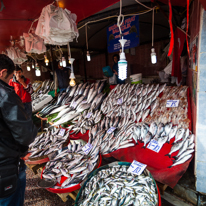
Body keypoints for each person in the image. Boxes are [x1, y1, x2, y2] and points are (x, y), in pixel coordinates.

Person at [0, 54, 37, 206]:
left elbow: (30, 90)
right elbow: (25, 134)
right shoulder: (4, 95)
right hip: (5, 167)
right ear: (2, 72)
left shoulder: (23, 82)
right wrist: (22, 149)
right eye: (8, 78)